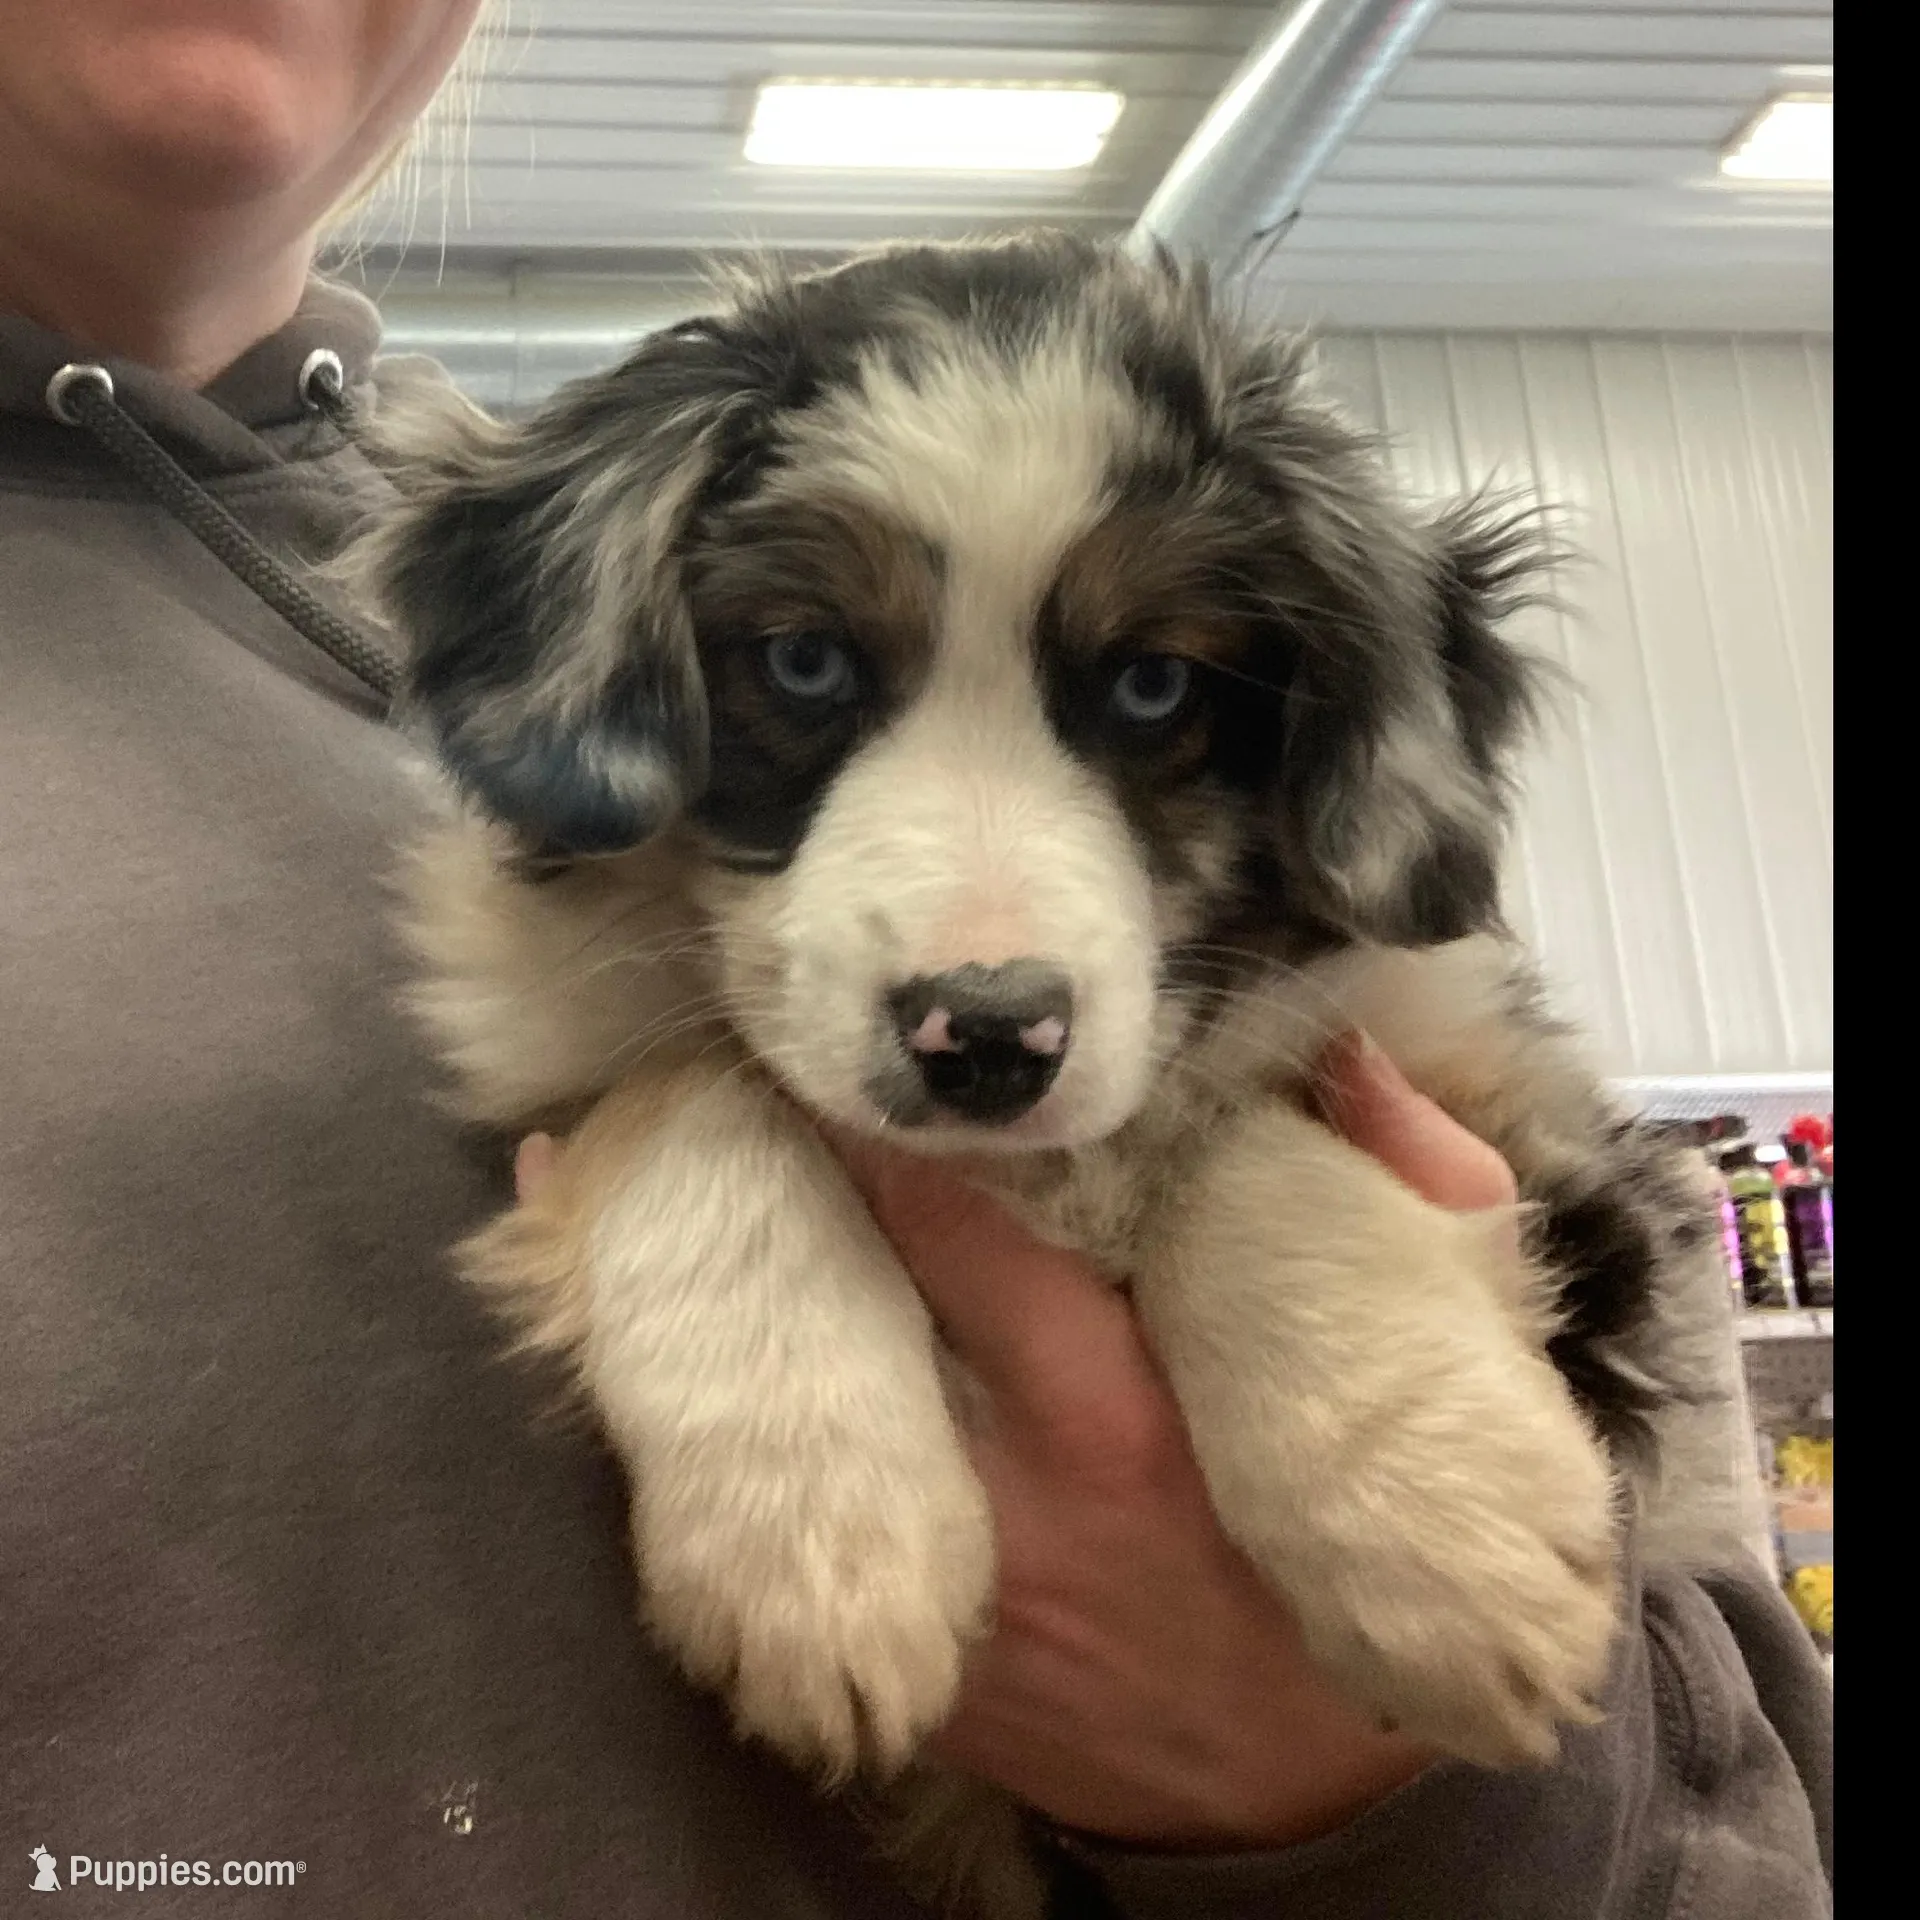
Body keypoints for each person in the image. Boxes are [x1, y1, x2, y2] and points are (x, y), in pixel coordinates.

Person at [1, 4, 1831, 1915]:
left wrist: (1374, 1787)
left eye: (1148, 684)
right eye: (805, 662)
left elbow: (1737, 1839)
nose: (983, 931)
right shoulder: (592, 688)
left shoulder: (1318, 951)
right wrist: (694, 1201)